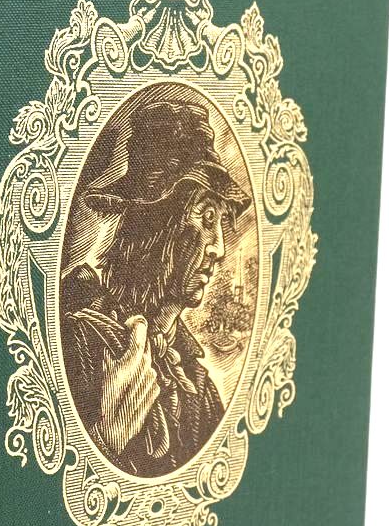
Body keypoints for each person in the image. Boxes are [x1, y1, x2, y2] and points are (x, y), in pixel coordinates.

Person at [61, 91, 249, 478]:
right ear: (158, 226)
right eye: (205, 218)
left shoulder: (198, 386)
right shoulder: (76, 338)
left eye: (220, 223)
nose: (218, 247)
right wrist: (108, 436)